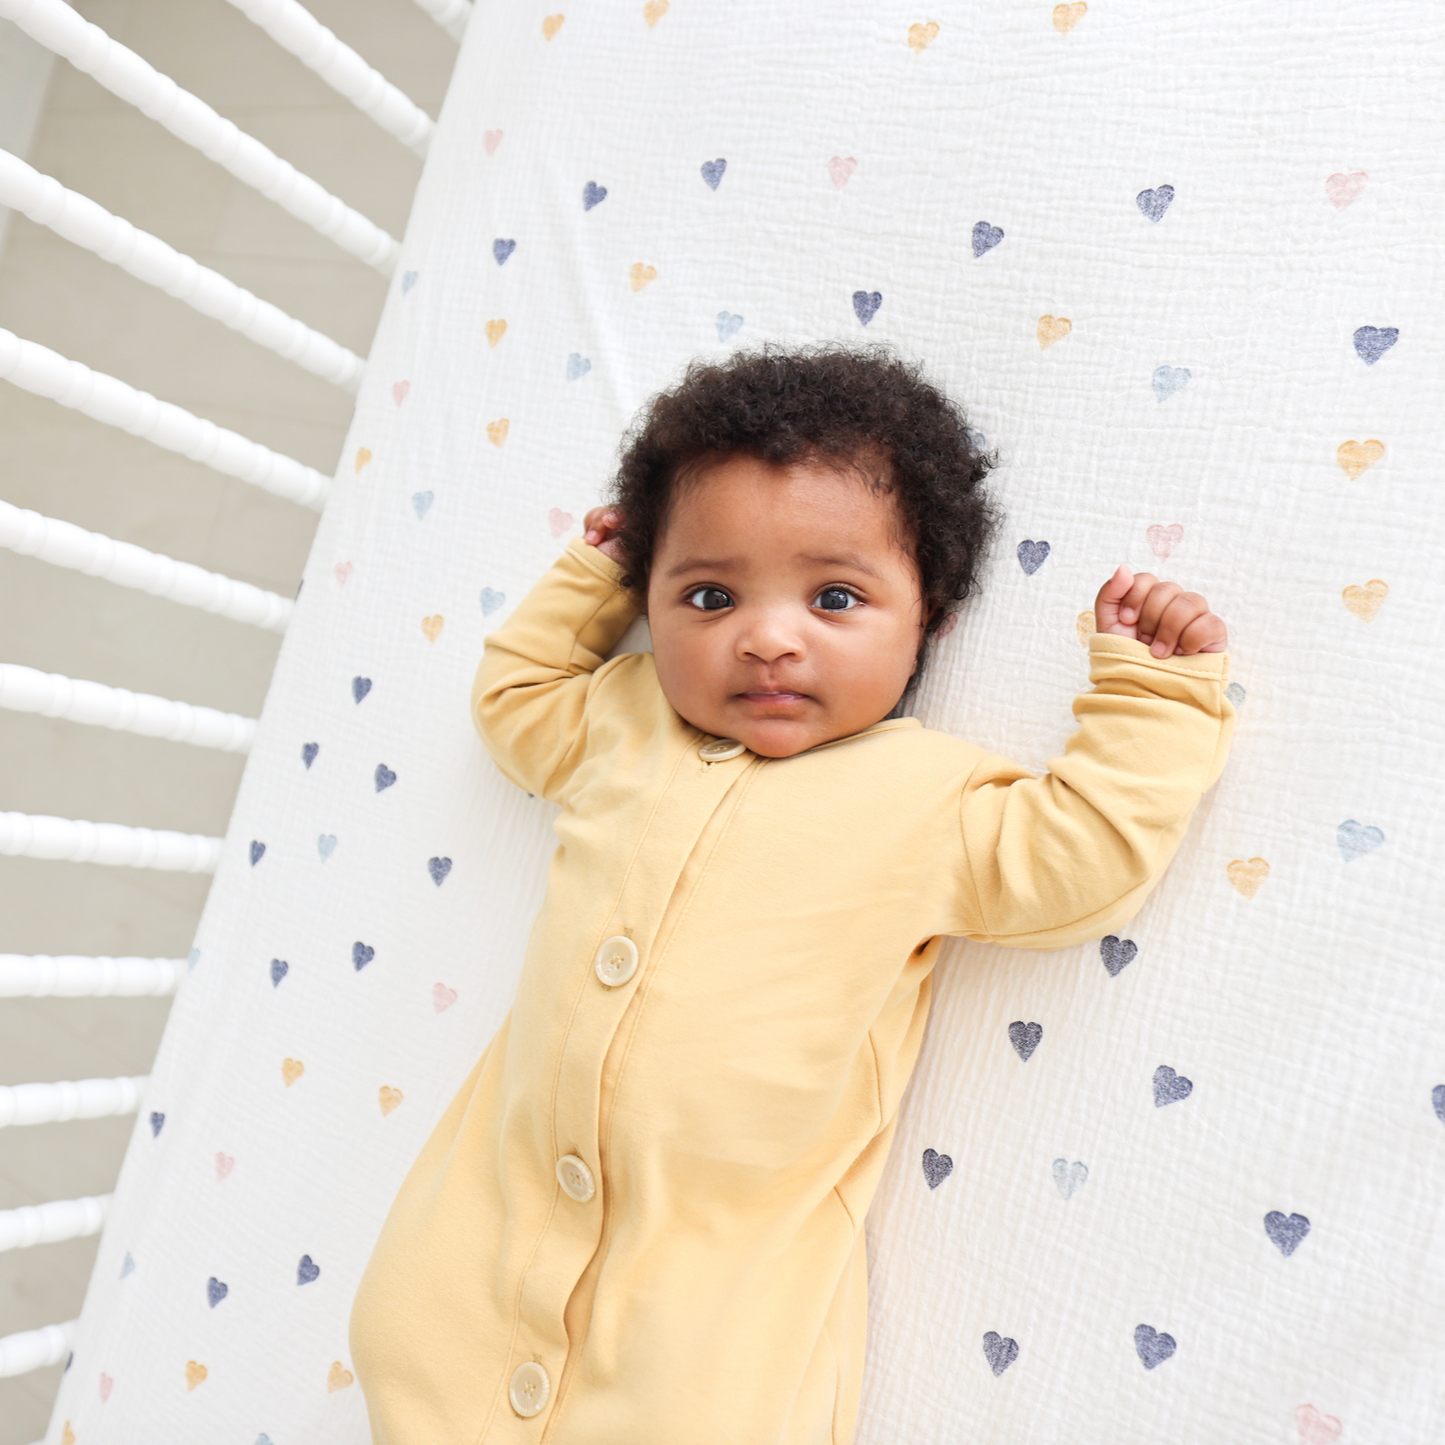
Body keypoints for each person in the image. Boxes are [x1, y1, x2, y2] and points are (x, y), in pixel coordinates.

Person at [348, 344, 1236, 1443]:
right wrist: (589, 578)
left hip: (714, 1309)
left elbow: (1079, 862)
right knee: (424, 1372)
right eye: (709, 594)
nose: (767, 636)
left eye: (834, 596)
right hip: (476, 1248)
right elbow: (515, 698)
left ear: (931, 616)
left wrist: (1147, 693)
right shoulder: (621, 723)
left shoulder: (929, 799)